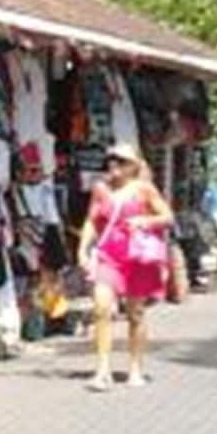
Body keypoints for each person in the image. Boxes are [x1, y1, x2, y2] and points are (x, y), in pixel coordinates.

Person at [77, 143, 174, 392]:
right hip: (109, 255)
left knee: (135, 314)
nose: (114, 165)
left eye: (121, 161)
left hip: (136, 257)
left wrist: (146, 220)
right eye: (111, 159)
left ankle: (135, 367)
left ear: (134, 166)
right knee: (101, 309)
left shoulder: (143, 189)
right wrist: (82, 249)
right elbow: (91, 220)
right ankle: (102, 369)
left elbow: (168, 217)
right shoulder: (100, 189)